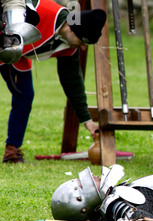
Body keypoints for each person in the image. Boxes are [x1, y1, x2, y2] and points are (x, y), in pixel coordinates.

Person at [0, 0, 106, 163]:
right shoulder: (42, 10)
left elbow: (73, 83)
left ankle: (11, 152)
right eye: (83, 42)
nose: (83, 48)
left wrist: (88, 121)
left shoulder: (70, 47)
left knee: (25, 96)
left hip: (18, 53)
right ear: (72, 29)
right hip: (5, 42)